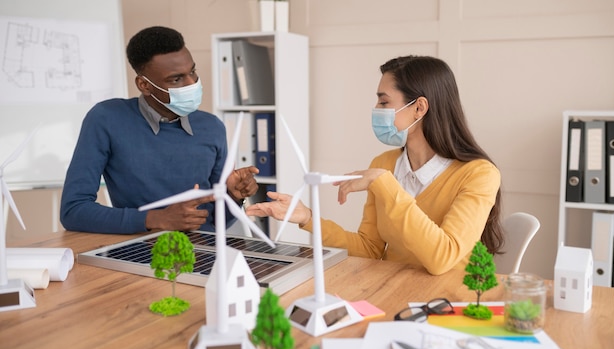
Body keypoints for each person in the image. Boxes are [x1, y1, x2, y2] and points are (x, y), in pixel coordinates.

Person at [246, 55, 503, 275]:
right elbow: (370, 249)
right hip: (393, 290)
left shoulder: (479, 174)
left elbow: (442, 258)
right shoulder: (384, 164)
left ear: (419, 108)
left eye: (384, 102)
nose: (376, 109)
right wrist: (308, 218)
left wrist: (384, 183)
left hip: (448, 301)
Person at [60, 26, 259, 234]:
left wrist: (235, 195)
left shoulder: (212, 127)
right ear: (144, 85)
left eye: (192, 71)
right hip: (140, 253)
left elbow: (217, 222)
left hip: (203, 254)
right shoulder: (107, 119)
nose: (192, 83)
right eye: (176, 79)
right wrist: (158, 218)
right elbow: (73, 211)